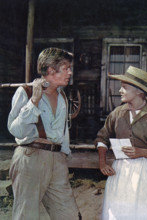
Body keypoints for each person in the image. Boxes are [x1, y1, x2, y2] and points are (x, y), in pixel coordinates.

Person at [8, 48, 81, 220]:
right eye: (66, 68)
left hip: (57, 159)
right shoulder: (25, 92)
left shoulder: (62, 96)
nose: (70, 72)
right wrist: (34, 100)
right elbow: (16, 130)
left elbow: (63, 132)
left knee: (69, 215)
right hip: (31, 157)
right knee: (27, 214)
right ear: (49, 70)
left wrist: (64, 155)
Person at [95, 66, 147, 220]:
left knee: (145, 213)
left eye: (124, 87)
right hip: (122, 172)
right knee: (119, 212)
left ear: (139, 91)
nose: (120, 91)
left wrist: (142, 152)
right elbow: (101, 138)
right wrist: (102, 162)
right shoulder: (118, 113)